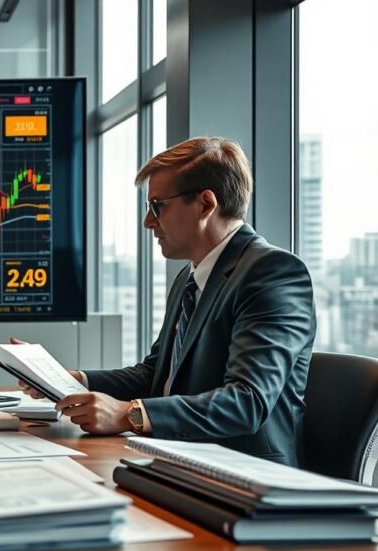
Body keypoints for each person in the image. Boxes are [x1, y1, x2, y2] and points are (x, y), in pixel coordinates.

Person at [16, 137, 315, 466]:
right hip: (180, 460)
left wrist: (129, 415)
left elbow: (247, 403)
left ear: (205, 204)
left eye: (158, 206)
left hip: (246, 476)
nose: (148, 221)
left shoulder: (272, 273)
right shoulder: (191, 278)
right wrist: (75, 381)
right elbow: (154, 375)